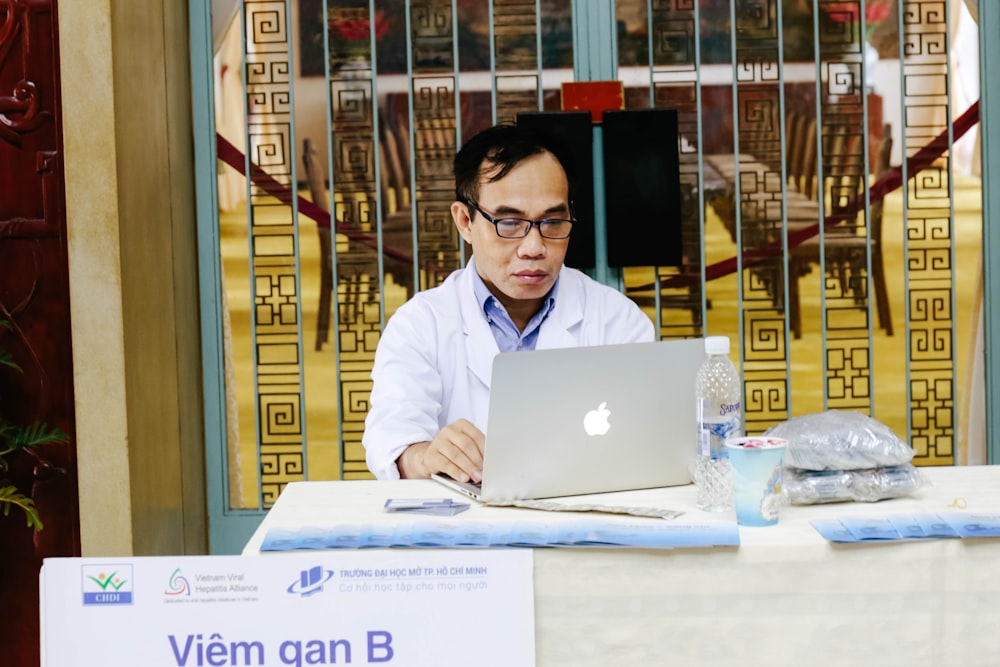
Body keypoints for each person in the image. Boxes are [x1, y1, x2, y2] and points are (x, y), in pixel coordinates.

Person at [362, 123, 655, 481]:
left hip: (584, 525)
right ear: (465, 221)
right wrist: (425, 457)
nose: (534, 247)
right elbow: (392, 440)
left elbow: (649, 442)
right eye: (510, 223)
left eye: (552, 221)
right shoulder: (421, 324)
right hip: (466, 530)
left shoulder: (615, 319)